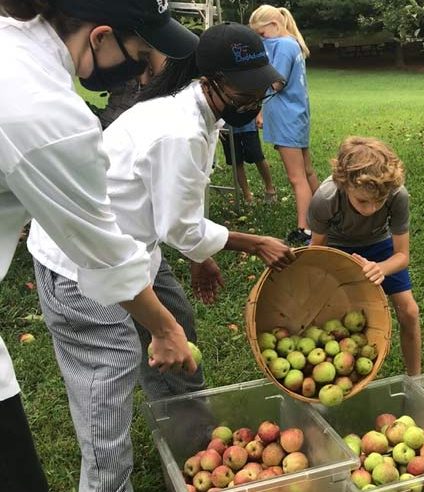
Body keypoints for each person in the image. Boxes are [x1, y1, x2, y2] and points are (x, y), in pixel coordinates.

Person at [27, 21, 296, 492]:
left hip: (132, 248)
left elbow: (175, 205)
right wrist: (254, 243)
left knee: (178, 328)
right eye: (245, 90)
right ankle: (107, 482)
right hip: (80, 266)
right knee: (106, 393)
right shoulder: (179, 130)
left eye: (260, 88)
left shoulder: (195, 113)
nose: (254, 100)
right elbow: (180, 225)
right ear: (210, 80)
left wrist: (199, 255)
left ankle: (194, 448)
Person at [0, 1, 200, 491]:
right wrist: (166, 329)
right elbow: (103, 252)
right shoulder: (44, 112)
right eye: (142, 51)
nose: (150, 67)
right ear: (100, 38)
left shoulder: (14, 48)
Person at [308, 136, 421, 376]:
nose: (371, 209)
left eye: (379, 201)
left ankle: (416, 379)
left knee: (410, 311)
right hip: (337, 248)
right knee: (332, 316)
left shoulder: (397, 194)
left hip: (380, 246)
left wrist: (380, 268)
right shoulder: (325, 198)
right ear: (344, 182)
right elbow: (316, 252)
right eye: (362, 201)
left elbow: (402, 255)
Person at [249, 5, 319, 245]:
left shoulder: (285, 45)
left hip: (288, 118)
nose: (261, 40)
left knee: (296, 177)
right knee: (307, 171)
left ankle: (305, 229)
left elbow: (277, 82)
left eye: (262, 34)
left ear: (274, 25)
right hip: (295, 115)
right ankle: (327, 215)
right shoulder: (290, 44)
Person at [220, 120, 277, 204]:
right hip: (227, 128)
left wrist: (259, 116)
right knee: (236, 161)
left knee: (258, 157)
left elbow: (257, 106)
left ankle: (270, 189)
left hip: (248, 126)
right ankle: (247, 196)